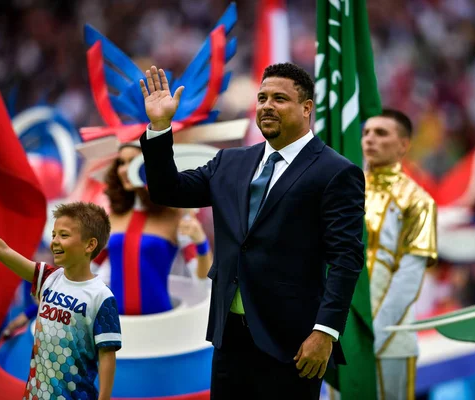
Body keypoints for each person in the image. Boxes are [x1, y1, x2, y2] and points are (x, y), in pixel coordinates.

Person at [138, 63, 365, 399]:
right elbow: (167, 190)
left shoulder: (336, 172)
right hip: (229, 338)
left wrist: (325, 332)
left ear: (306, 108)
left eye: (279, 98)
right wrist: (159, 127)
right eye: (262, 98)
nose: (267, 105)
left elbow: (346, 258)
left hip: (293, 344)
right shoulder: (229, 162)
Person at [0, 202, 121, 400]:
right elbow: (1, 250)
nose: (54, 242)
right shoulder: (47, 277)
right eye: (54, 235)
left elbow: (107, 354)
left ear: (90, 245)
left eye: (63, 235)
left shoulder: (101, 296)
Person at [361, 109, 437, 400]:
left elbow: (409, 277)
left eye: (381, 133)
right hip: (340, 335)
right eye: (366, 132)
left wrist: (374, 336)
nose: (369, 139)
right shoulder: (344, 191)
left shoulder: (419, 202)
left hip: (392, 339)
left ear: (403, 145)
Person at [101, 141, 213, 315]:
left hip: (160, 324)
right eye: (121, 163)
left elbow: (203, 280)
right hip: (117, 324)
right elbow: (91, 271)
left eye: (133, 161)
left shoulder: (176, 215)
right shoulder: (113, 217)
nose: (124, 169)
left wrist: (201, 242)